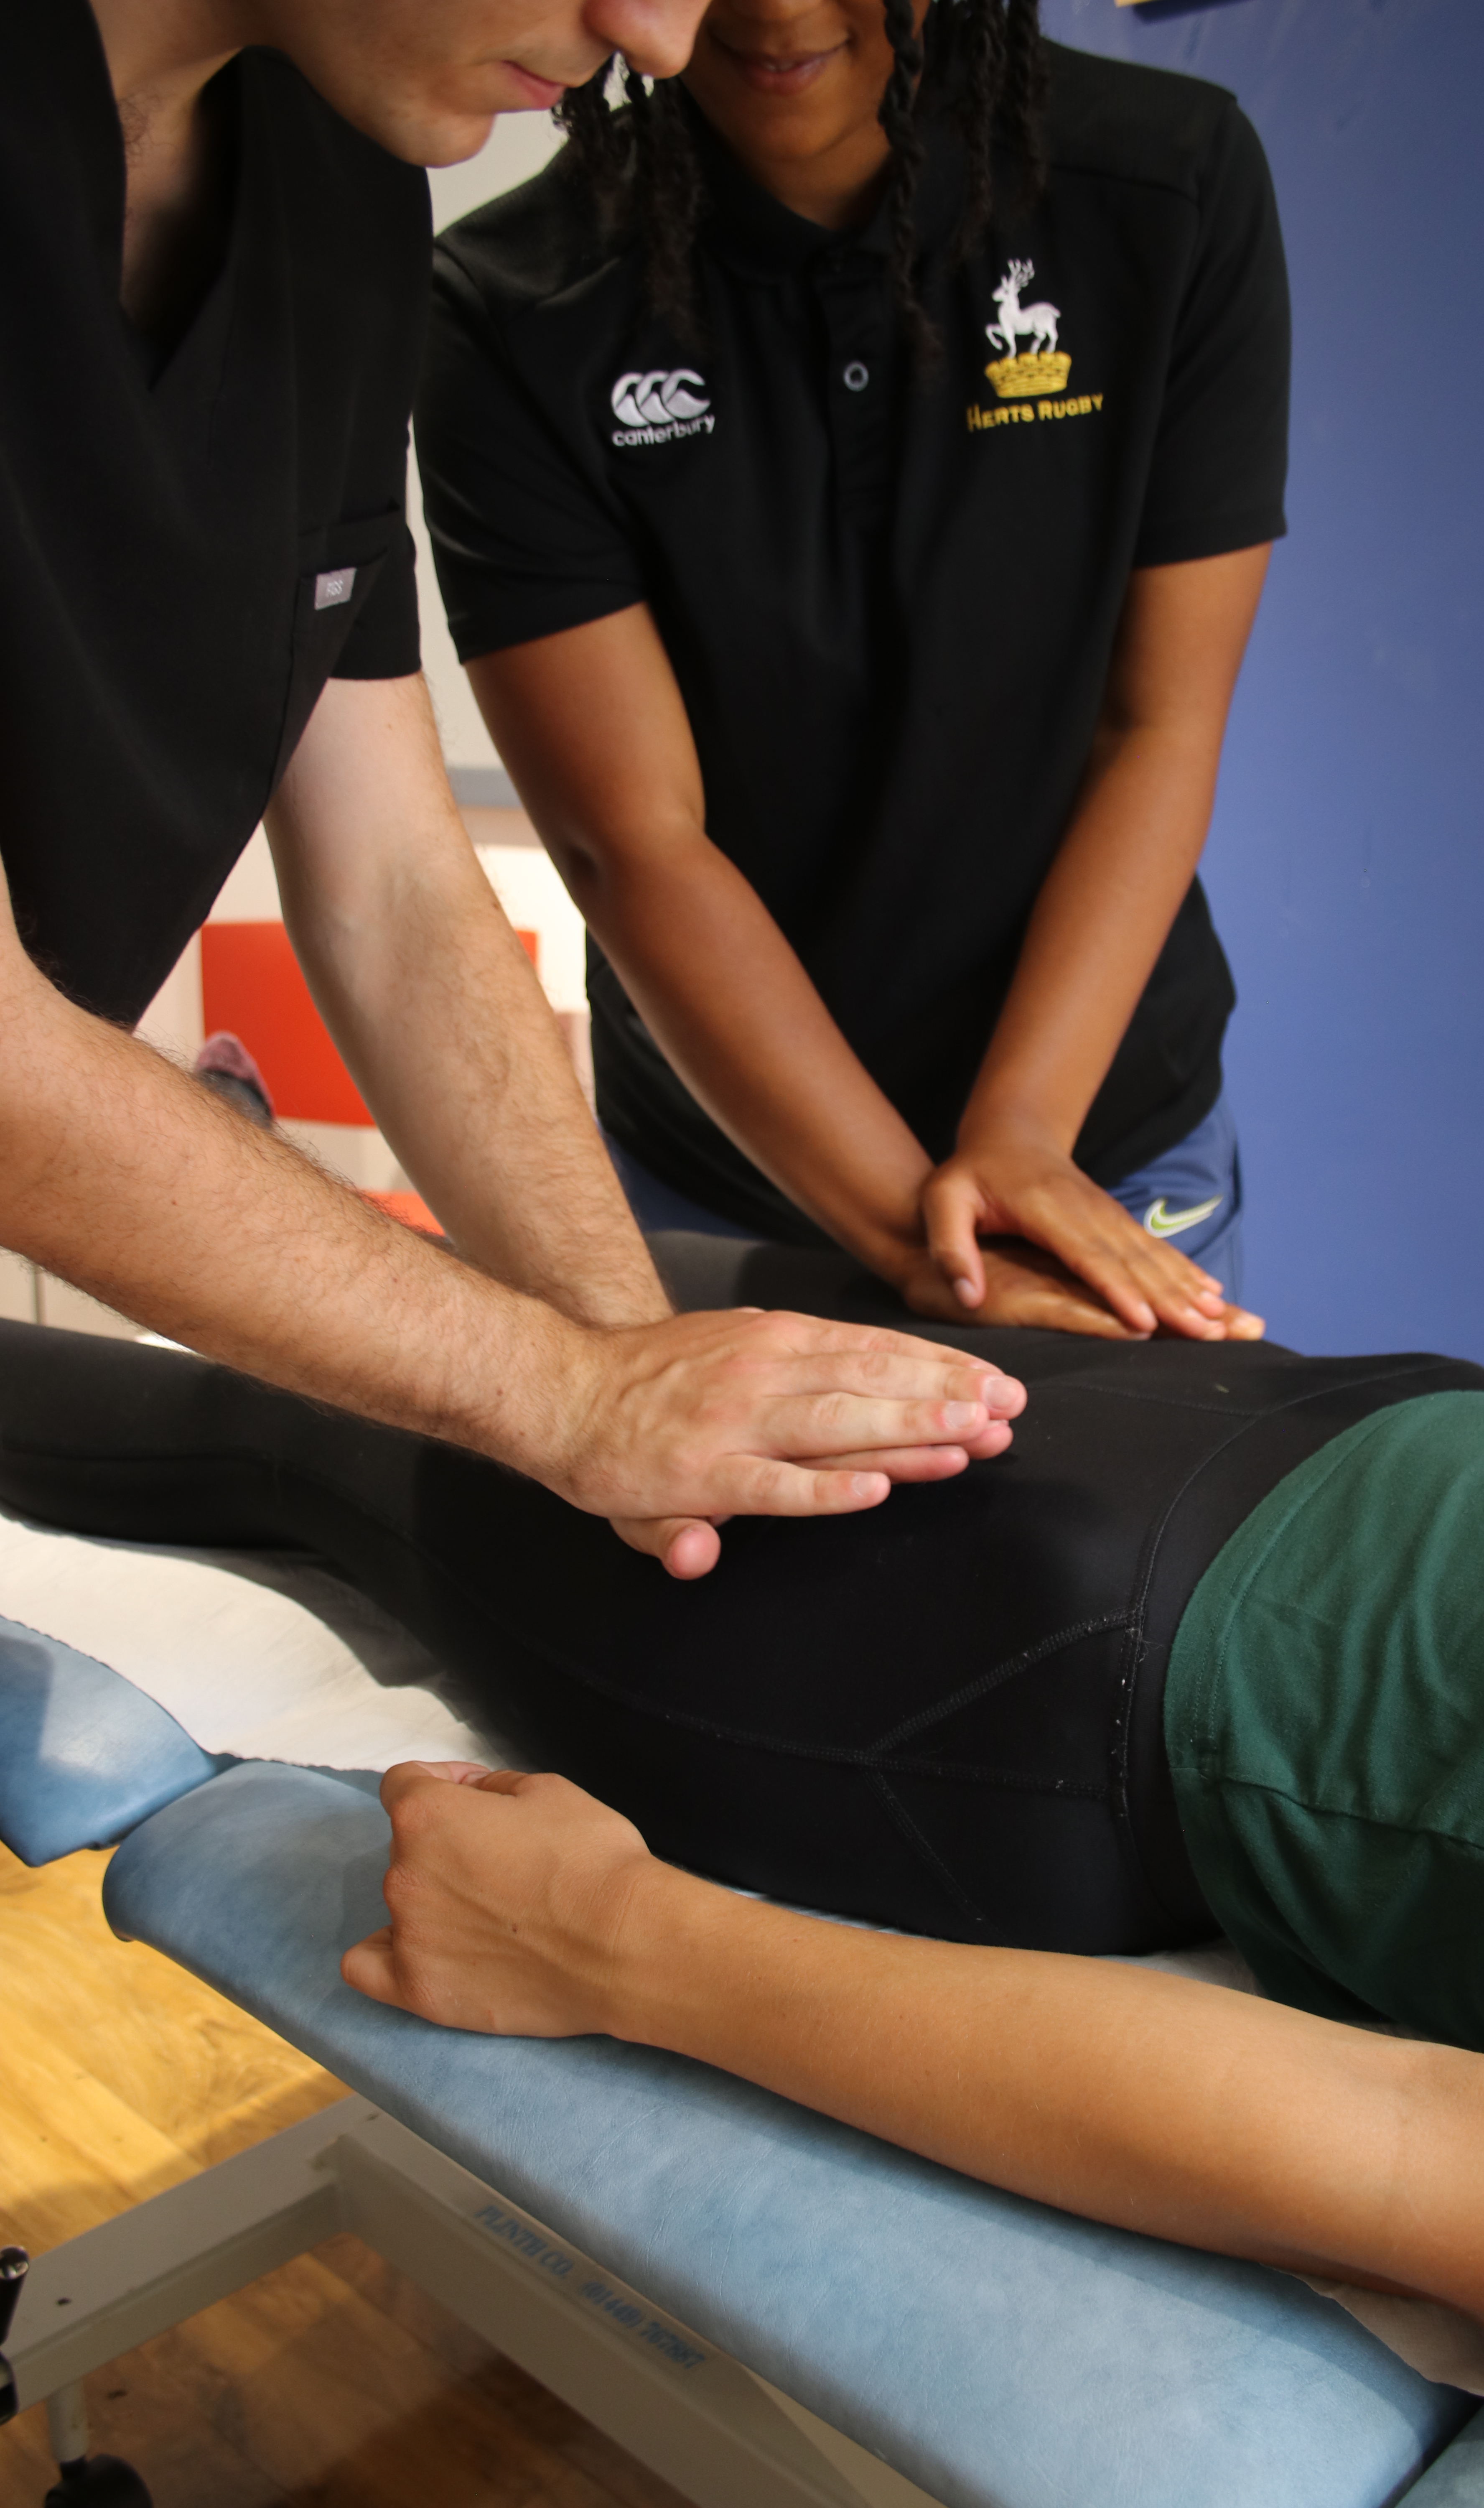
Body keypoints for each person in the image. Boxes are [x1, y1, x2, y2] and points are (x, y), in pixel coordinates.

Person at [1, 1272, 1484, 2434]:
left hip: (1091, 1660)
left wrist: (608, 1945)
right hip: (1357, 1425)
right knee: (498, 1294)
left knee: (275, 1424)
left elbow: (1413, 2149)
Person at [0, 0, 1027, 1586]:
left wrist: (649, 1387)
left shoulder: (337, 176)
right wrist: (562, 1392)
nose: (662, 41)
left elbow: (393, 882)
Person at [416, 0, 1288, 1343]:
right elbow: (634, 841)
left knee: (1134, 1543)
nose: (778, 10)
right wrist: (920, 1230)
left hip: (1107, 1146)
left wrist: (1023, 1140)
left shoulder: (1168, 186)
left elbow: (1159, 723)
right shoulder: (516, 301)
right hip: (723, 1170)